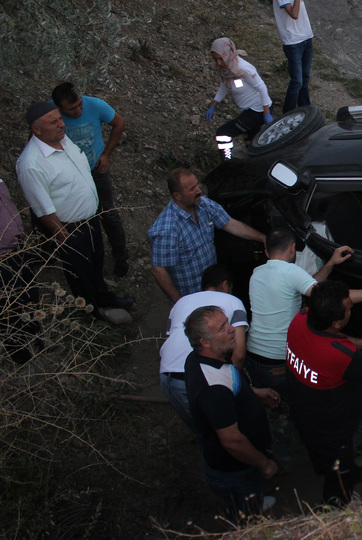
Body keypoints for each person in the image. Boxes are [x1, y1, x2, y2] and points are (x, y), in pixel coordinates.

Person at [15, 102, 134, 322]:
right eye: (54, 122)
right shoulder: (31, 164)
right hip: (70, 230)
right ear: (37, 129)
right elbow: (43, 209)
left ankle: (104, 298)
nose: (61, 124)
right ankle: (92, 314)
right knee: (81, 275)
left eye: (60, 119)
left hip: (90, 220)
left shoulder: (62, 139)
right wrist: (64, 238)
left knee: (96, 264)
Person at [284, 281, 362, 506]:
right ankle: (337, 501)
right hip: (330, 424)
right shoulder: (338, 355)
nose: (351, 308)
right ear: (336, 321)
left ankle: (345, 471)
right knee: (337, 468)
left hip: (302, 409)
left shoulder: (299, 320)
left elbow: (336, 338)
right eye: (349, 307)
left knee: (323, 455)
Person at [245, 228, 362, 391]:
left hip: (252, 355)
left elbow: (308, 285)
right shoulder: (290, 272)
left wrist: (331, 263)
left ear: (266, 252)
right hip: (277, 361)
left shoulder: (257, 273)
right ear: (293, 248)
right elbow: (328, 297)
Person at [184, 305, 280, 522]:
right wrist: (264, 464)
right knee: (245, 516)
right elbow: (233, 442)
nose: (231, 329)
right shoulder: (213, 390)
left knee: (245, 498)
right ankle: (247, 514)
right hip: (236, 469)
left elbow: (232, 383)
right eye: (222, 328)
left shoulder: (203, 358)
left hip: (236, 465)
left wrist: (252, 393)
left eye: (228, 322)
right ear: (205, 342)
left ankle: (250, 503)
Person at [148, 167, 265, 303]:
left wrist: (263, 238)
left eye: (197, 184)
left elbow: (231, 224)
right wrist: (178, 301)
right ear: (177, 196)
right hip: (191, 297)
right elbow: (158, 269)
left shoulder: (204, 205)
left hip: (212, 289)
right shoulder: (167, 228)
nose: (199, 191)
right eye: (192, 189)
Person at [159, 264, 249, 440]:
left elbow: (172, 338)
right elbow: (239, 353)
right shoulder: (233, 302)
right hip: (200, 376)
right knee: (224, 430)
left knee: (203, 428)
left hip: (167, 375)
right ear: (225, 285)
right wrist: (234, 385)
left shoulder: (181, 302)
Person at [51, 82, 130, 277]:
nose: (78, 110)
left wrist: (106, 155)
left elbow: (119, 123)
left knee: (108, 213)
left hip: (96, 169)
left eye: (79, 105)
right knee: (74, 216)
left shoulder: (95, 105)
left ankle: (121, 256)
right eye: (71, 109)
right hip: (69, 175)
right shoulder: (51, 116)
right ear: (59, 108)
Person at [205, 38, 273, 159]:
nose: (219, 63)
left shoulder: (243, 69)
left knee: (223, 133)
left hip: (256, 111)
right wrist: (213, 105)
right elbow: (225, 85)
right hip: (247, 111)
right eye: (215, 59)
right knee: (251, 142)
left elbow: (262, 87)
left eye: (220, 58)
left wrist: (266, 113)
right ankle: (260, 162)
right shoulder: (227, 70)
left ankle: (227, 161)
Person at [0, 177, 41, 363]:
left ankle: (38, 339)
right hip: (2, 259)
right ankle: (22, 357)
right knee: (10, 308)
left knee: (31, 294)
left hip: (17, 249)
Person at [272, 0, 314, 113]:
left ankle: (305, 108)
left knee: (305, 77)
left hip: (306, 37)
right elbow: (294, 14)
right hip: (292, 41)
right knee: (297, 81)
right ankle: (288, 112)